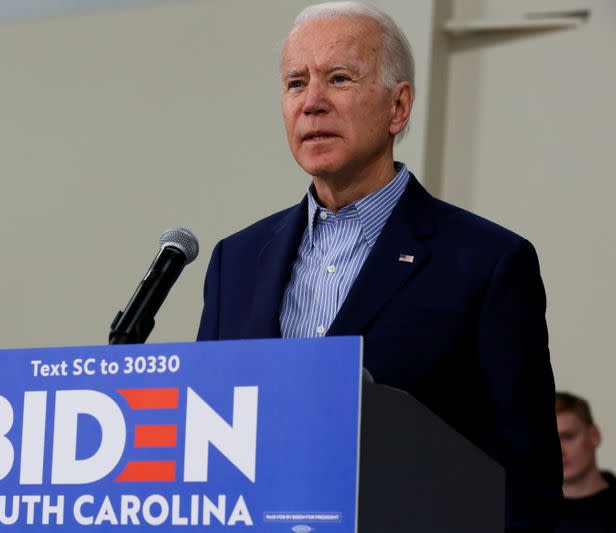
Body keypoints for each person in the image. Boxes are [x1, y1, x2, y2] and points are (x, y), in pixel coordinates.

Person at [196, 1, 562, 530]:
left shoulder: (487, 263)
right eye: (296, 83)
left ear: (398, 107)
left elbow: (525, 485)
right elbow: (208, 437)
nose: (312, 103)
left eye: (339, 78)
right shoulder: (237, 259)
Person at [555, 392, 616, 533]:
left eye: (568, 437)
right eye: (549, 442)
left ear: (594, 435)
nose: (559, 451)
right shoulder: (528, 515)